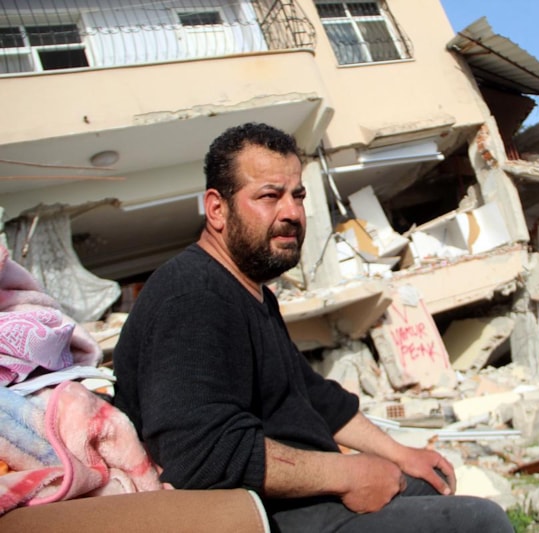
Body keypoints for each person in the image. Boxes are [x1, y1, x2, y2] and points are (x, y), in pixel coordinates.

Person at [113, 122, 513, 533]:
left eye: (298, 196)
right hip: (263, 515)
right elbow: (201, 452)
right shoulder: (192, 295)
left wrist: (399, 454)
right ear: (217, 209)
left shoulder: (252, 292)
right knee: (481, 522)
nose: (291, 212)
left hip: (304, 497)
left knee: (428, 482)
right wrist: (348, 474)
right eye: (270, 196)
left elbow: (310, 394)